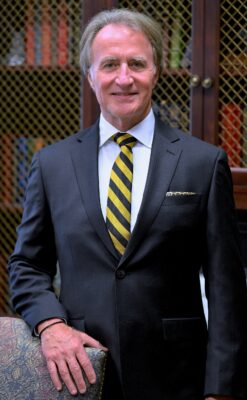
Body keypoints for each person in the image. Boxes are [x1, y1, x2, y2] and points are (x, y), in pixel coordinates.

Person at [8, 8, 247, 400]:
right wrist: (50, 325)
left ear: (155, 71)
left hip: (178, 380)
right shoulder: (52, 164)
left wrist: (220, 389)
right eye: (109, 65)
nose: (124, 77)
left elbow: (226, 287)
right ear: (90, 76)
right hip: (79, 377)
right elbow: (26, 264)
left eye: (137, 63)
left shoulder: (203, 163)